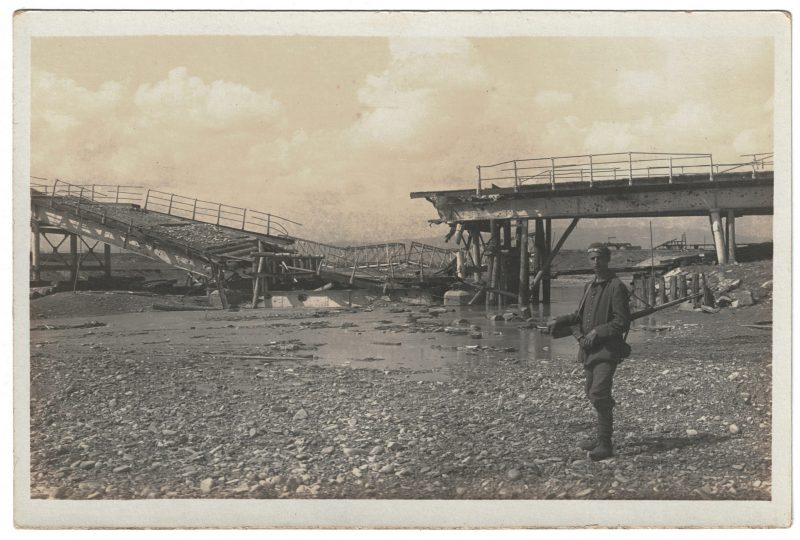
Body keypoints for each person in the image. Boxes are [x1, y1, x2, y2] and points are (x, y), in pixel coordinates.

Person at [547, 242, 631, 461]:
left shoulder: (616, 286)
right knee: (590, 392)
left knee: (599, 393)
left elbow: (622, 321)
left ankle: (605, 444)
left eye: (600, 258)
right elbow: (579, 316)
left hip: (608, 350)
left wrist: (599, 331)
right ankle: (601, 434)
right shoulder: (589, 287)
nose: (596, 262)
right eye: (592, 259)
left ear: (607, 259)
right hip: (588, 351)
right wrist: (560, 320)